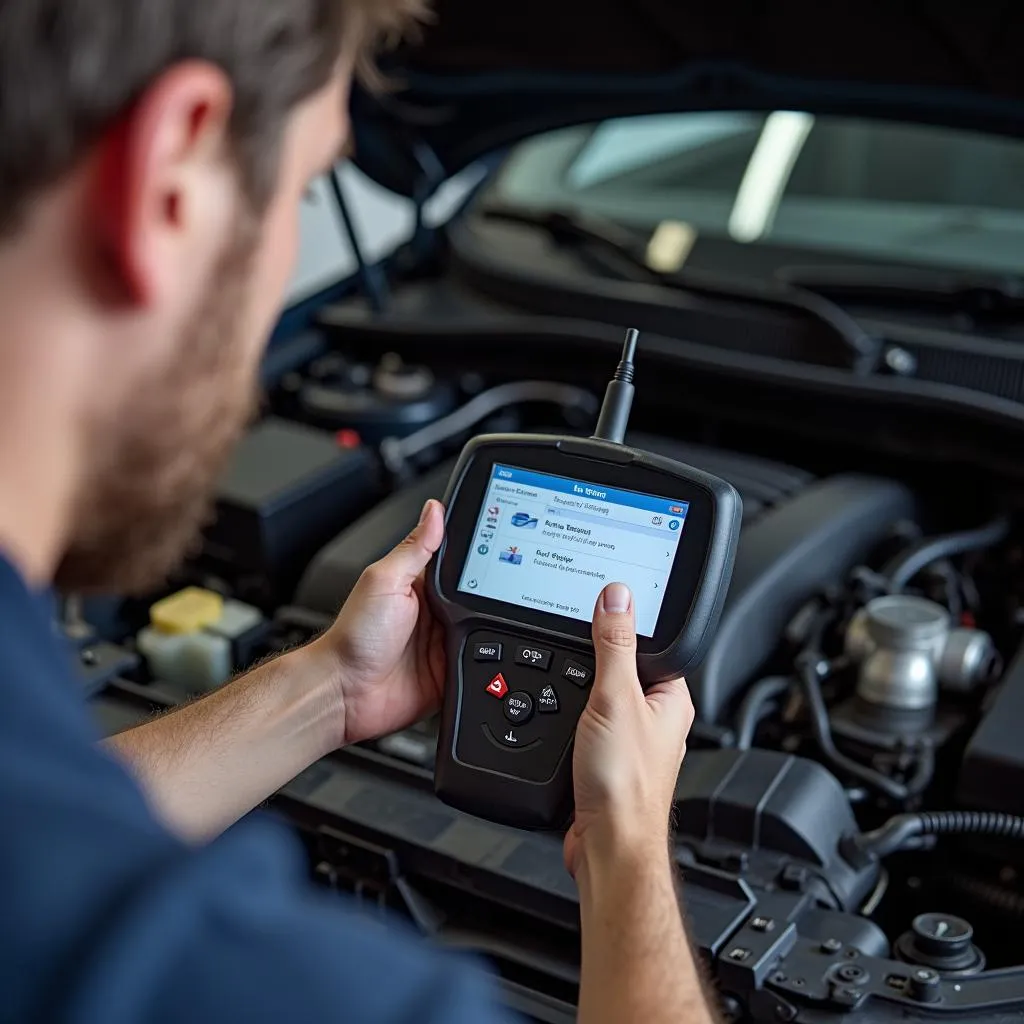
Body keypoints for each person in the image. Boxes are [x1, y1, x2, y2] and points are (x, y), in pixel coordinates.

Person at [0, 2, 718, 1022]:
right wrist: (632, 845)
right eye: (304, 184)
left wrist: (331, 689)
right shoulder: (243, 986)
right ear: (170, 174)